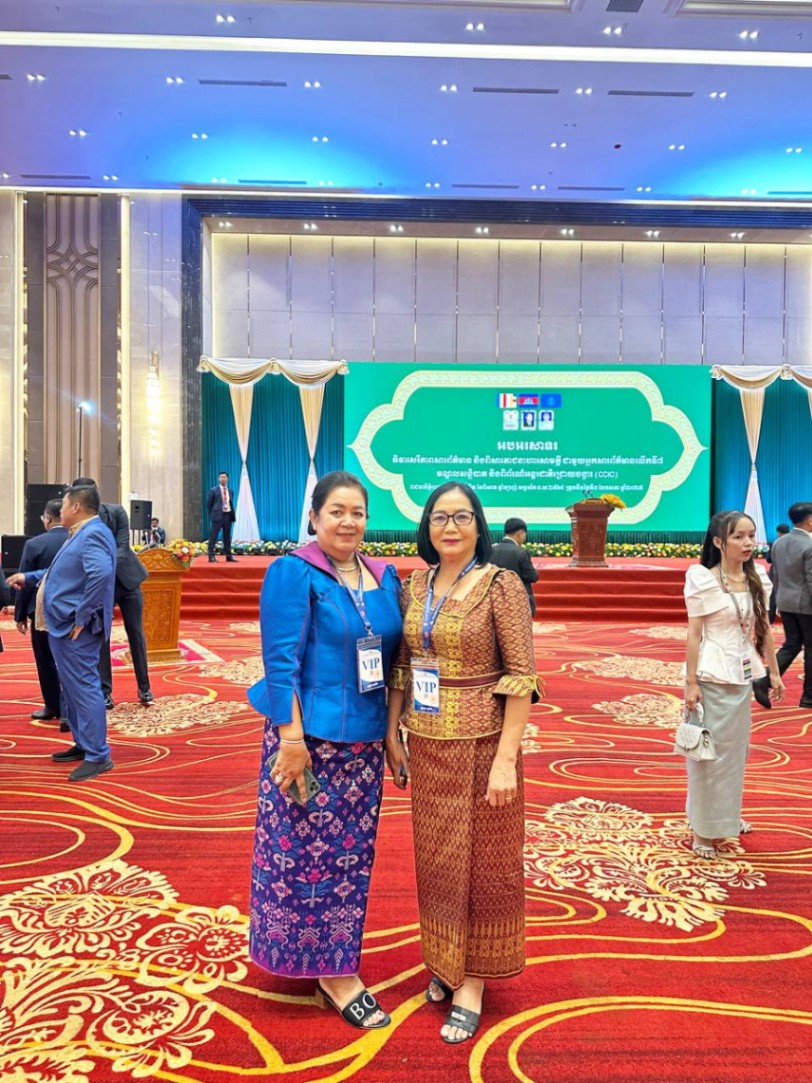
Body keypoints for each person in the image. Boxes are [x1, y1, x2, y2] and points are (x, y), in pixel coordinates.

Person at [247, 471, 403, 1030]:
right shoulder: (293, 572)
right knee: (302, 860)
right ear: (314, 517)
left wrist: (391, 734)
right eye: (336, 511)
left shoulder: (384, 576)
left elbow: (394, 662)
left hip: (363, 746)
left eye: (357, 512)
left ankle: (333, 958)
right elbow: (280, 662)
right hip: (307, 743)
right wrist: (291, 740)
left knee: (348, 862)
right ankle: (333, 974)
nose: (348, 522)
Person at [385, 481, 540, 1045]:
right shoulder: (415, 584)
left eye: (462, 516)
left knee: (483, 866)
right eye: (440, 517)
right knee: (439, 862)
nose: (450, 527)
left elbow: (521, 676)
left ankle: (473, 981)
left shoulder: (501, 585)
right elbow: (403, 666)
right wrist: (392, 733)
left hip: (483, 745)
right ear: (426, 526)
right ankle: (445, 961)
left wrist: (506, 760)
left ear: (479, 524)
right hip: (427, 743)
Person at [683, 510, 784, 860]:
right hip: (710, 676)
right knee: (707, 755)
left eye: (751, 535)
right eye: (738, 536)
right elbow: (694, 634)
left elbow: (764, 629)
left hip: (740, 676)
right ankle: (703, 830)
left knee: (733, 756)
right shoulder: (703, 579)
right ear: (718, 542)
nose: (747, 543)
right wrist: (690, 682)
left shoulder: (758, 579)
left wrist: (773, 672)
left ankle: (725, 816)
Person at [6, 484, 117, 782]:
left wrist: (82, 614)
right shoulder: (80, 532)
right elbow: (62, 573)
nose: (60, 510)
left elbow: (101, 573)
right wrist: (29, 577)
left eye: (64, 505)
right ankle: (84, 744)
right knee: (72, 688)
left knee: (84, 686)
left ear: (76, 507)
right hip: (63, 624)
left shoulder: (92, 533)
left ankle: (98, 755)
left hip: (75, 627)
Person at [73, 477, 153, 708]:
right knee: (102, 637)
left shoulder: (117, 512)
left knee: (136, 633)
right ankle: (105, 691)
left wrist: (101, 568)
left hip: (127, 582)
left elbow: (123, 547)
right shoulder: (78, 522)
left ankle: (144, 687)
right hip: (99, 586)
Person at [13, 499, 69, 723]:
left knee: (45, 659)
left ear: (47, 519)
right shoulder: (76, 540)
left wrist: (19, 615)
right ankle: (70, 709)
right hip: (71, 610)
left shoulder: (34, 544)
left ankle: (53, 705)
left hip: (41, 611)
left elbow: (24, 583)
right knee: (71, 660)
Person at [756, 502, 812, 709]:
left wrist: (777, 601)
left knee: (792, 644)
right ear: (810, 520)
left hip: (785, 601)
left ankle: (764, 681)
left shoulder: (779, 543)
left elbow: (775, 576)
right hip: (807, 605)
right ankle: (809, 696)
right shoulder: (809, 545)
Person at [489, 516, 539, 617]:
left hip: (495, 600)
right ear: (520, 533)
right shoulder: (520, 552)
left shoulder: (491, 550)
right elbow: (532, 577)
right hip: (518, 601)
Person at [207, 471, 237, 562]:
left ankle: (228, 556)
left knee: (227, 537)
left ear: (227, 478)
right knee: (213, 536)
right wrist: (213, 515)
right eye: (221, 477)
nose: (222, 479)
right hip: (217, 516)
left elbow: (230, 503)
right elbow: (209, 504)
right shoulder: (213, 490)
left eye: (224, 477)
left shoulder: (230, 491)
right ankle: (211, 556)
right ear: (218, 479)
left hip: (228, 515)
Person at [765, 523, 790, 625]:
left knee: (773, 595)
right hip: (789, 573)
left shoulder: (774, 543)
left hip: (775, 572)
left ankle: (770, 620)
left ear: (778, 532)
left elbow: (768, 559)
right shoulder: (794, 544)